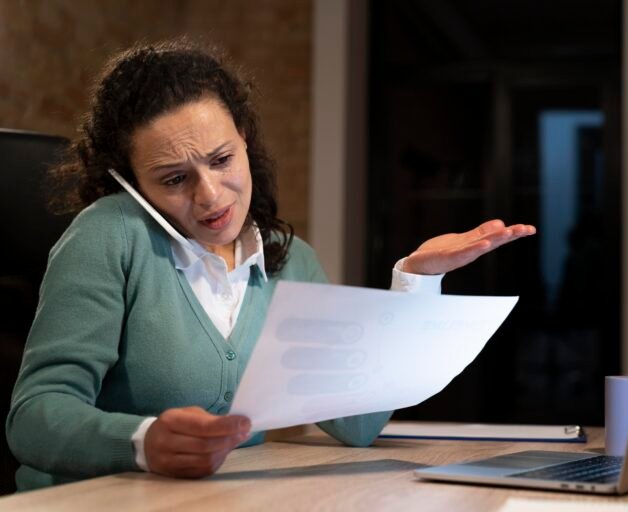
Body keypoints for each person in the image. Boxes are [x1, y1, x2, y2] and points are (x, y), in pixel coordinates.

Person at [5, 39, 535, 491]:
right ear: (130, 183)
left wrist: (417, 282)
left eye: (221, 160)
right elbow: (32, 417)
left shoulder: (290, 258)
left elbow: (358, 423)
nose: (211, 195)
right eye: (174, 179)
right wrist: (141, 442)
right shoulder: (110, 233)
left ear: (245, 139)